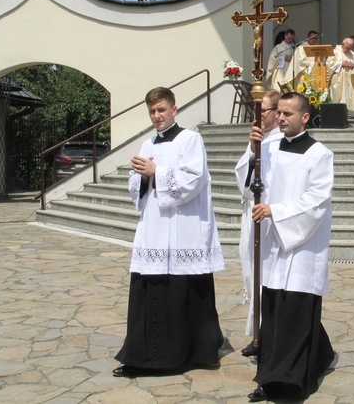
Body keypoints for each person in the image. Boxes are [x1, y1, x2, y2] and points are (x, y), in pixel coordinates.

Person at [113, 87, 225, 378]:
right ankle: (144, 355)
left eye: (161, 110)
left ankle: (191, 353)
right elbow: (136, 185)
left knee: (184, 292)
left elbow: (194, 178)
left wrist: (156, 172)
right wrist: (139, 175)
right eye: (152, 111)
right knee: (149, 292)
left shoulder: (191, 139)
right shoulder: (147, 143)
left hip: (183, 228)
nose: (157, 116)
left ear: (174, 109)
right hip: (154, 228)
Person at [245, 92, 335, 402]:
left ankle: (291, 381)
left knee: (295, 313)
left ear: (305, 118)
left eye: (287, 114)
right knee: (272, 312)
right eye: (279, 113)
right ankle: (267, 378)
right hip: (273, 243)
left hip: (302, 245)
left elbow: (316, 201)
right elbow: (249, 186)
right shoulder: (268, 147)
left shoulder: (319, 154)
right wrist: (252, 149)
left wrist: (277, 212)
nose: (280, 118)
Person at [233, 90, 283, 358]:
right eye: (256, 111)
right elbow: (244, 180)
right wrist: (253, 152)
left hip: (271, 221)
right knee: (254, 275)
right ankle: (258, 334)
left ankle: (267, 336)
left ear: (276, 112)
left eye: (262, 110)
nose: (258, 116)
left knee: (269, 277)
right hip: (252, 216)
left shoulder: (281, 142)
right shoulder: (258, 139)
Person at [328, 36, 354, 116]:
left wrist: (353, 66)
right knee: (340, 99)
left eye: (350, 48)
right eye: (347, 48)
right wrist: (341, 63)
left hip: (350, 81)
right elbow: (329, 65)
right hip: (339, 81)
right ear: (342, 44)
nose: (348, 50)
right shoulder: (335, 52)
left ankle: (351, 115)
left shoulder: (352, 54)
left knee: (351, 99)